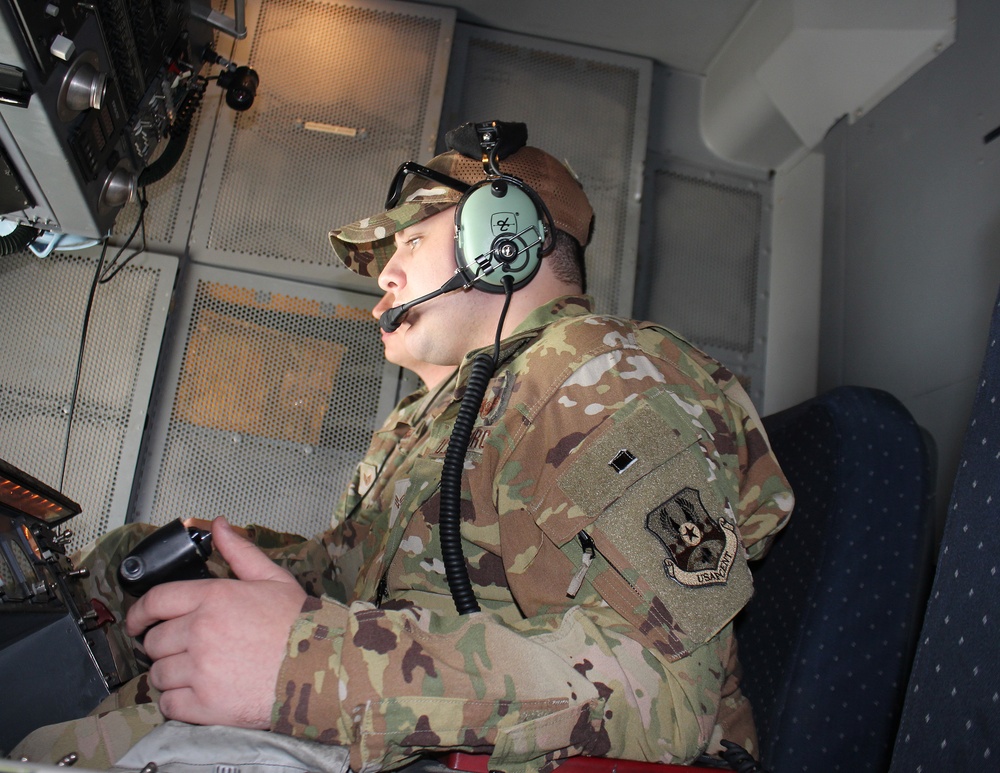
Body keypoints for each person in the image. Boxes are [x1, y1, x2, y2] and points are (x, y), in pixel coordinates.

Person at [14, 123, 792, 772]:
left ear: (502, 242)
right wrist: (195, 561)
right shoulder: (432, 418)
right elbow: (350, 577)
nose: (383, 276)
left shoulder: (598, 374)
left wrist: (311, 666)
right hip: (409, 728)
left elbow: (667, 693)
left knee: (58, 754)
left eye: (409, 241)